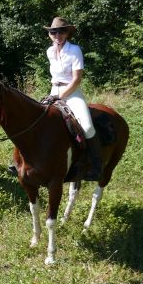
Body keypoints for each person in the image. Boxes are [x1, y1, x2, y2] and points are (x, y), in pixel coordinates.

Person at [44, 17, 102, 180]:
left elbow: (76, 80)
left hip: (72, 92)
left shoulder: (74, 50)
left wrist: (59, 96)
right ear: (49, 34)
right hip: (54, 89)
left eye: (61, 31)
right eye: (53, 32)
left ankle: (97, 166)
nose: (57, 35)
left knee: (88, 127)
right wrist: (54, 95)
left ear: (67, 33)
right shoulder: (49, 52)